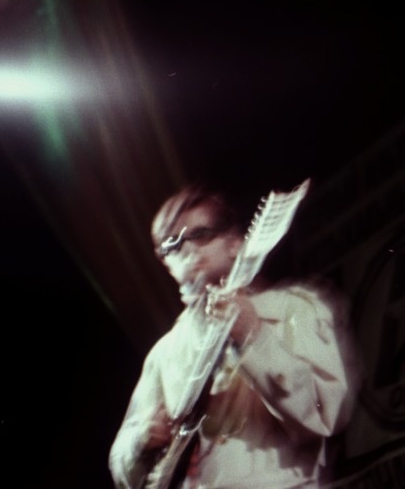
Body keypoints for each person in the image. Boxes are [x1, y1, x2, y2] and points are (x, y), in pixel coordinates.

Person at [109, 183, 361, 488]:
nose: (186, 250)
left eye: (200, 234)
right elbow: (122, 466)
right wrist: (139, 442)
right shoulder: (165, 353)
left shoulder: (293, 309)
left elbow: (327, 414)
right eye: (171, 244)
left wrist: (255, 336)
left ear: (235, 242)